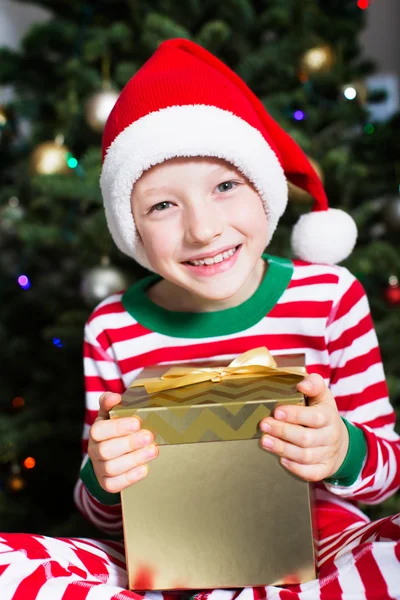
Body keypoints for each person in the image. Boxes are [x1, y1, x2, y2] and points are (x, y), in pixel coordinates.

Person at [1, 38, 399, 600]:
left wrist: (342, 449)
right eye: (163, 205)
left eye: (225, 186)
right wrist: (105, 475)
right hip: (168, 563)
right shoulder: (111, 328)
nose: (203, 229)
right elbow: (102, 518)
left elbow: (389, 473)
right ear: (133, 228)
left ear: (264, 191)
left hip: (321, 549)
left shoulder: (330, 296)